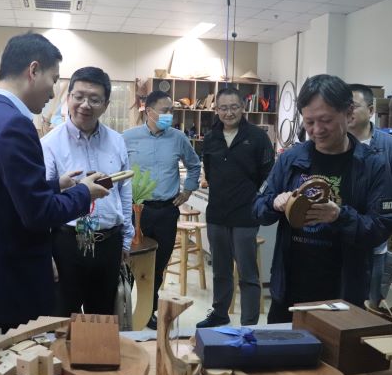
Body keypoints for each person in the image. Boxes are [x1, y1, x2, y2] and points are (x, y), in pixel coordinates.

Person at [0, 33, 109, 331]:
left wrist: (56, 186)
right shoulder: (15, 125)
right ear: (34, 70)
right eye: (53, 80)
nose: (53, 93)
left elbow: (2, 192)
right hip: (10, 277)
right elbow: (38, 213)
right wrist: (84, 193)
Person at [253, 74, 392, 324]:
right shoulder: (291, 159)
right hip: (289, 289)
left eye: (326, 120)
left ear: (348, 113)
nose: (317, 130)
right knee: (281, 345)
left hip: (344, 293)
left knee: (335, 349)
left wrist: (339, 216)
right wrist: (274, 203)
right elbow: (257, 208)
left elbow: (381, 228)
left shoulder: (372, 166)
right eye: (309, 122)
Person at [41, 66, 133, 317]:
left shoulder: (117, 141)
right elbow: (42, 202)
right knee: (62, 318)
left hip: (109, 243)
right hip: (66, 244)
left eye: (94, 99)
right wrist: (45, 253)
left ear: (106, 105)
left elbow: (124, 192)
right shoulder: (49, 144)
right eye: (79, 96)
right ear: (68, 97)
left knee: (102, 319)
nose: (85, 105)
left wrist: (126, 239)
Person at [196, 87, 274, 328]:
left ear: (242, 107)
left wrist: (255, 197)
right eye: (223, 108)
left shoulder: (257, 137)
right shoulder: (211, 138)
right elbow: (209, 172)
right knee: (220, 270)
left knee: (247, 272)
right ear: (216, 109)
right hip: (217, 212)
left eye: (234, 107)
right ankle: (219, 314)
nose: (228, 113)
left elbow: (268, 173)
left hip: (246, 214)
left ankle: (248, 324)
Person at [123, 90, 201, 330]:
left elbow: (194, 165)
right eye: (165, 110)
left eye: (171, 111)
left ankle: (149, 311)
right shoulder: (128, 137)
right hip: (137, 210)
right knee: (129, 264)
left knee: (158, 264)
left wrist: (188, 191)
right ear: (149, 111)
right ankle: (125, 311)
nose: (170, 115)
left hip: (166, 211)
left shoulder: (178, 138)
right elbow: (117, 169)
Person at [348, 83, 392, 308]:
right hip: (341, 238)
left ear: (371, 110)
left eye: (353, 106)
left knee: (369, 305)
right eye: (343, 106)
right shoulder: (335, 144)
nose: (348, 112)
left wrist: (382, 223)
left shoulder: (391, 147)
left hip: (374, 240)